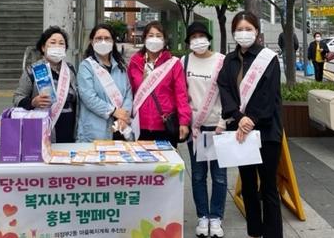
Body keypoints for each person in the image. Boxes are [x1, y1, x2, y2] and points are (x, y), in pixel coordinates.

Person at [217, 11, 283, 238]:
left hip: (266, 132)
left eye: (248, 29)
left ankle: (273, 234)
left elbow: (269, 95)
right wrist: (238, 117)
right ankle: (254, 231)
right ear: (233, 32)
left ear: (256, 31)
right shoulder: (229, 60)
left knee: (268, 186)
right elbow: (224, 90)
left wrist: (251, 119)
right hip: (240, 132)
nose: (243, 33)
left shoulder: (268, 59)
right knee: (247, 184)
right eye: (239, 29)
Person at [182, 22, 227, 238]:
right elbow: (181, 94)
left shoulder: (221, 61)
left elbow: (230, 93)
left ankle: (216, 217)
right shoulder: (184, 62)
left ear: (208, 39)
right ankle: (203, 216)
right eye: (193, 37)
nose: (198, 40)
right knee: (198, 175)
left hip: (217, 127)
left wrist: (224, 121)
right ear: (189, 41)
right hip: (196, 129)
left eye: (201, 36)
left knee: (219, 176)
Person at [127, 21, 191, 149]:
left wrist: (184, 121)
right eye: (150, 35)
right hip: (140, 125)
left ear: (165, 40)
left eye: (158, 36)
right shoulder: (135, 62)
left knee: (166, 161)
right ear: (144, 39)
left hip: (165, 125)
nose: (154, 39)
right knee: (141, 161)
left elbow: (181, 94)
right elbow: (129, 92)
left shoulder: (173, 64)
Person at [13, 26, 78, 143]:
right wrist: (32, 102)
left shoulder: (70, 69)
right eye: (53, 43)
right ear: (43, 47)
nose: (57, 46)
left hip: (68, 129)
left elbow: (77, 96)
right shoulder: (33, 70)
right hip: (42, 129)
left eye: (61, 44)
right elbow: (17, 97)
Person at [77, 23, 133, 142]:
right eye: (98, 38)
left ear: (113, 42)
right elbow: (88, 97)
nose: (103, 42)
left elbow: (128, 94)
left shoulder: (121, 67)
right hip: (96, 131)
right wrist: (114, 111)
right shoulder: (86, 66)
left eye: (107, 38)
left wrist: (123, 115)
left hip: (121, 128)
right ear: (92, 42)